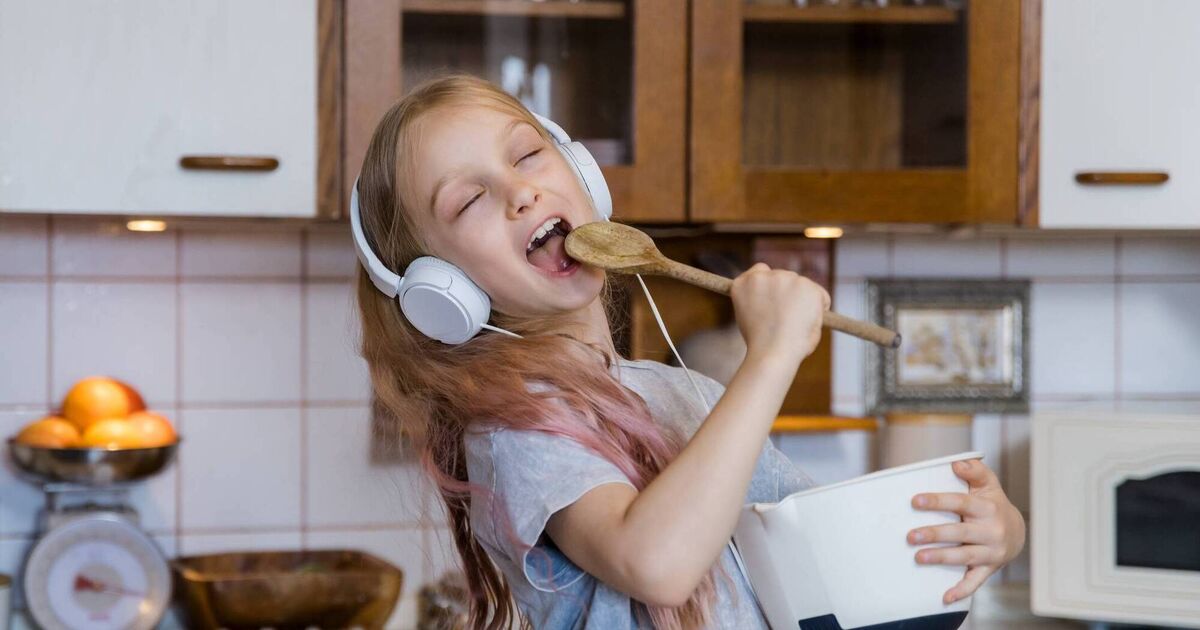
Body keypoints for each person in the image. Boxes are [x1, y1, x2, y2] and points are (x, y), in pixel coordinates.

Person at [351, 74, 1025, 629]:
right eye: (470, 200)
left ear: (583, 174)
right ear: (441, 291)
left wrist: (987, 530)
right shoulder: (518, 429)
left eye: (527, 155)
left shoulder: (689, 397)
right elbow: (656, 562)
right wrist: (769, 360)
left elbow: (827, 544)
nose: (519, 190)